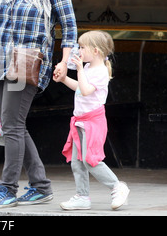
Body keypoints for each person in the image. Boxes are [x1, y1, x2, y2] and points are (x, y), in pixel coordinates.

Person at [0, 0, 77, 209]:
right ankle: (41, 185)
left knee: (11, 125)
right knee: (13, 125)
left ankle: (7, 189)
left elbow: (69, 26)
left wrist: (64, 62)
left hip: (29, 60)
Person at [53, 30, 130, 210]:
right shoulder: (88, 68)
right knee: (77, 162)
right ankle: (82, 196)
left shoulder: (101, 71)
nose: (79, 51)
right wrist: (64, 79)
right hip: (80, 121)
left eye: (82, 47)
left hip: (93, 122)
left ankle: (117, 186)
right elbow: (80, 88)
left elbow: (86, 90)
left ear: (95, 51)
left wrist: (79, 69)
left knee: (90, 159)